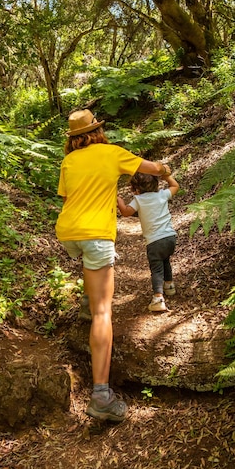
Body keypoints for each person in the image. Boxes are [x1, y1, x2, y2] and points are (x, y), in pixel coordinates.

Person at [55, 109, 172, 422]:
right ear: (97, 131)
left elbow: (68, 200)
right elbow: (155, 170)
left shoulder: (69, 161)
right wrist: (165, 167)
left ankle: (85, 299)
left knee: (87, 262)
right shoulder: (112, 153)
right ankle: (102, 395)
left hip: (68, 232)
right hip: (95, 235)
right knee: (102, 313)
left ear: (74, 137)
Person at [117, 171, 179, 312]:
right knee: (165, 260)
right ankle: (169, 286)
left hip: (154, 241)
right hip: (170, 238)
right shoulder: (162, 195)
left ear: (137, 189)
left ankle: (158, 299)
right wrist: (167, 176)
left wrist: (120, 203)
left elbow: (126, 212)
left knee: (156, 269)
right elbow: (175, 186)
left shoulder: (139, 200)